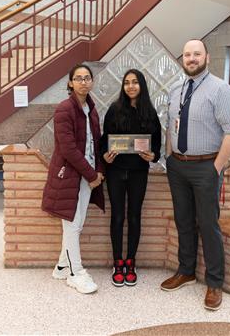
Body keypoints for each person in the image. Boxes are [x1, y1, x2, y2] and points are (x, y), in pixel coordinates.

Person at [160, 40, 230, 310]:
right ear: (182, 59)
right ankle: (186, 271)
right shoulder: (177, 89)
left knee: (208, 225)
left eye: (197, 54)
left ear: (207, 56)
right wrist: (170, 157)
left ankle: (214, 283)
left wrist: (215, 167)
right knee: (184, 221)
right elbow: (172, 126)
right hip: (178, 166)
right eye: (187, 54)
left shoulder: (220, 89)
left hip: (206, 167)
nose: (192, 58)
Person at [42, 63, 105, 294]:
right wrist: (91, 174)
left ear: (92, 81)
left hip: (87, 176)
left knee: (75, 224)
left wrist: (99, 171)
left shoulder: (92, 108)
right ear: (70, 83)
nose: (83, 82)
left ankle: (60, 266)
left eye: (87, 78)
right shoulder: (64, 109)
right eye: (78, 78)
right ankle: (74, 272)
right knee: (71, 224)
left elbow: (96, 144)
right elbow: (67, 149)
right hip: (69, 176)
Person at [100, 69, 161, 287]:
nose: (131, 86)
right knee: (117, 217)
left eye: (135, 82)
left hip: (138, 173)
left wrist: (152, 155)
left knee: (134, 216)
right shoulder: (114, 110)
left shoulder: (151, 113)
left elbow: (157, 146)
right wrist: (105, 156)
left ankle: (131, 262)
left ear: (142, 85)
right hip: (116, 172)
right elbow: (104, 140)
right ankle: (118, 263)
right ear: (123, 86)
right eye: (127, 82)